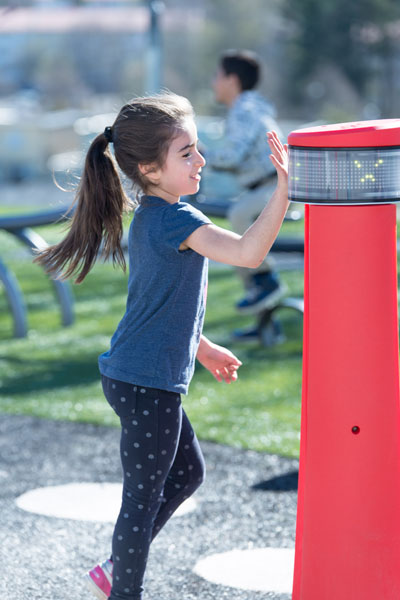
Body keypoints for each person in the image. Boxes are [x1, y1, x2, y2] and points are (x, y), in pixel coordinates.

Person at [34, 92, 289, 600]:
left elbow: (163, 306)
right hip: (146, 383)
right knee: (141, 501)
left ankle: (117, 571)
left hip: (136, 375)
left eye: (196, 149)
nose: (201, 160)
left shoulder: (158, 216)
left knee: (187, 472)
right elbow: (249, 252)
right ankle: (123, 587)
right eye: (187, 153)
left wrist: (203, 346)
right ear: (150, 168)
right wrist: (285, 188)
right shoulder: (176, 221)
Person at [205, 49, 286, 340]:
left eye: (217, 76)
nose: (213, 82)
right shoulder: (249, 107)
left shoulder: (244, 108)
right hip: (264, 186)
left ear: (232, 79)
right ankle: (265, 325)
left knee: (237, 218)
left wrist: (200, 155)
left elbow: (234, 155)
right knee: (240, 254)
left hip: (273, 186)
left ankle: (267, 279)